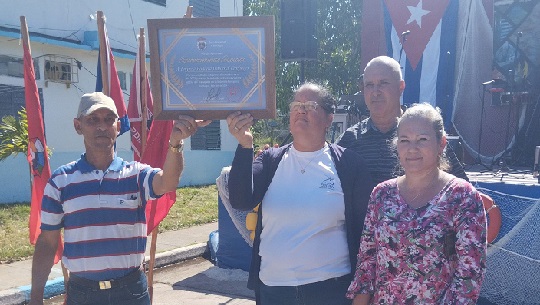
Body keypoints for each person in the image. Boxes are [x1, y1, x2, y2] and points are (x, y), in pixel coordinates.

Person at [29, 92, 210, 305]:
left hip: (131, 292)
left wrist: (176, 143)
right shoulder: (60, 181)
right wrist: (36, 298)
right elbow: (47, 243)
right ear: (78, 126)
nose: (102, 126)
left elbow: (167, 182)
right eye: (92, 120)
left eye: (109, 119)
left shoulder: (136, 174)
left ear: (118, 125)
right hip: (82, 294)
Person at [227, 82, 374, 305]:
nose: (301, 110)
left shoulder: (349, 165)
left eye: (311, 105)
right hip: (274, 291)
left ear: (329, 118)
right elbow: (240, 200)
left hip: (330, 291)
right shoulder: (270, 161)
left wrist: (363, 292)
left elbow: (367, 235)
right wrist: (245, 145)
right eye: (296, 104)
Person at [346, 103, 487, 304]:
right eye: (404, 140)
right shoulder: (381, 194)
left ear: (441, 144)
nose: (412, 148)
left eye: (422, 139)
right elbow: (367, 265)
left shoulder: (462, 197)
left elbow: (469, 275)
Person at [337, 56, 468, 184]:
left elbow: (463, 191)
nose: (375, 92)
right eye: (369, 85)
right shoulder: (350, 140)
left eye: (383, 83)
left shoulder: (426, 132)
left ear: (401, 87)